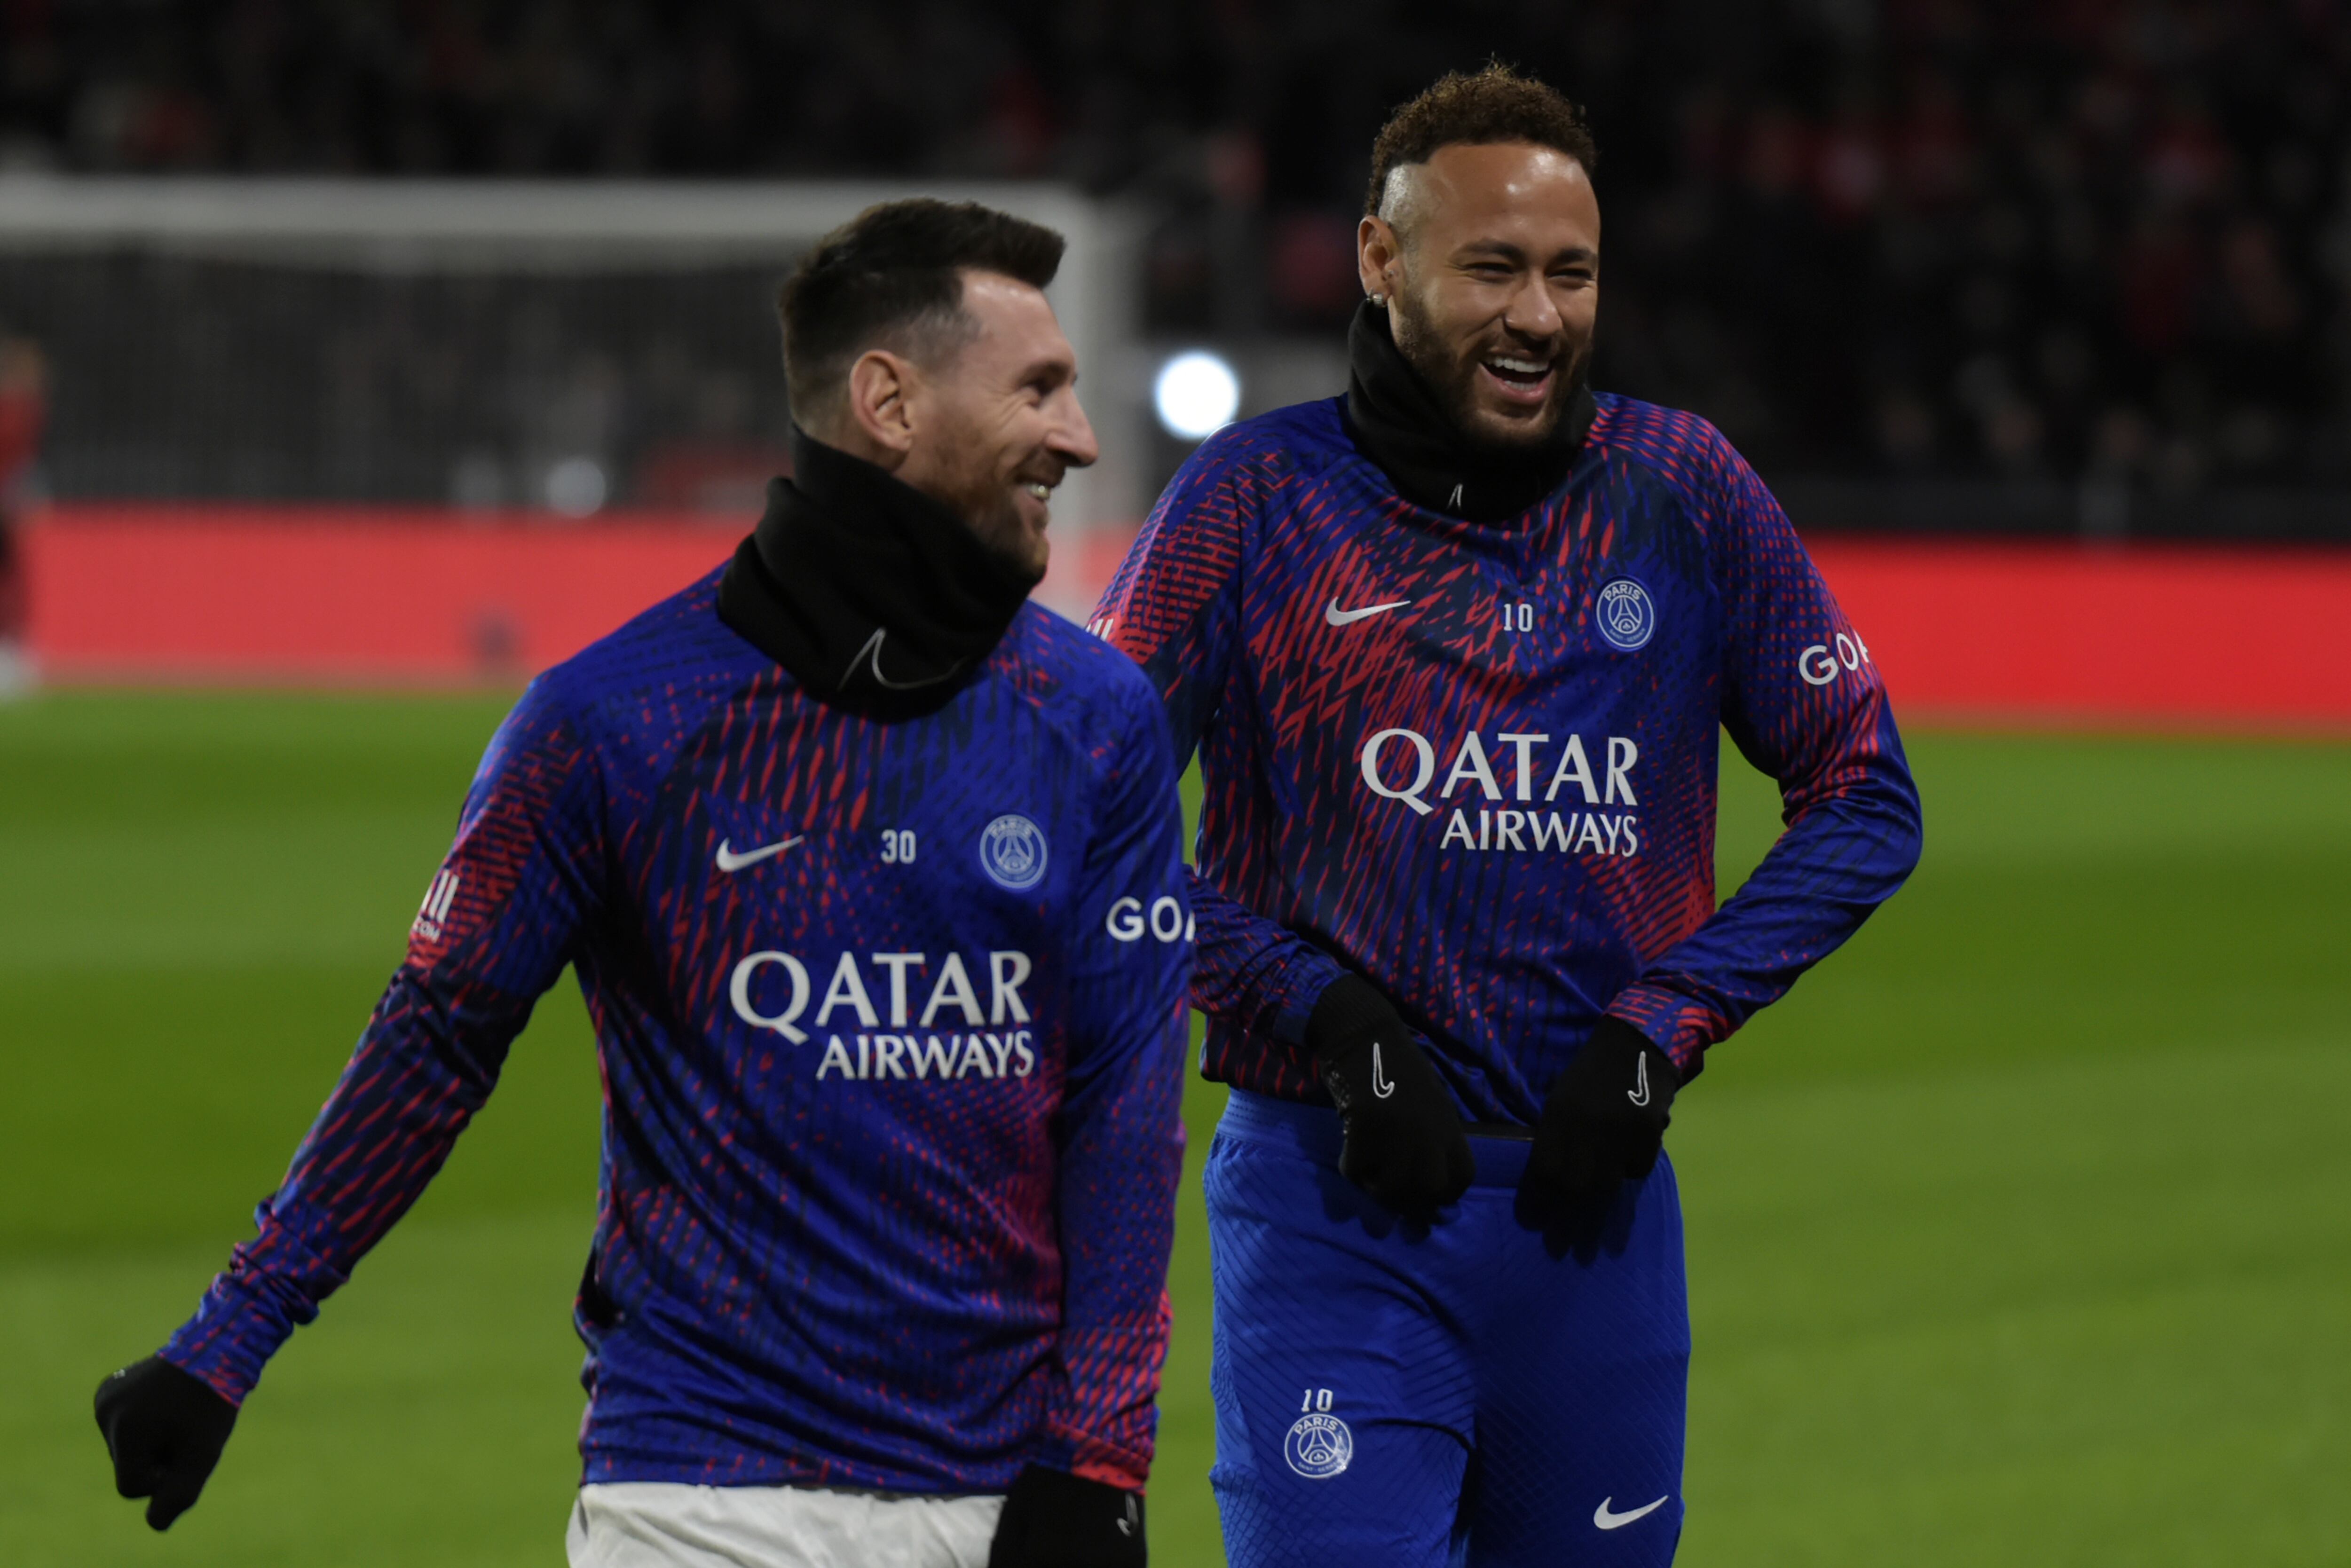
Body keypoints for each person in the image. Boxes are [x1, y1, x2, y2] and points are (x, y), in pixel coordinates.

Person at [94, 198, 1195, 1568]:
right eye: (1039, 387)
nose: (1080, 438)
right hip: (698, 1492)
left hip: (1004, 1504)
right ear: (889, 402)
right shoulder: (612, 723)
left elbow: (1130, 1108)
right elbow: (434, 1042)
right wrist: (226, 1343)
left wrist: (1098, 1457)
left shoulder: (1097, 718)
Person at [1092, 65, 1923, 1567]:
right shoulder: (1250, 502)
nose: (1538, 315)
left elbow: (1867, 797)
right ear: (1378, 260)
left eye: (1571, 273)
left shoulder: (1686, 488)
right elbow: (1081, 816)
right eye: (1492, 268)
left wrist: (1663, 1024)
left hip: (1589, 1225)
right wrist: (1320, 1010)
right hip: (1330, 1214)